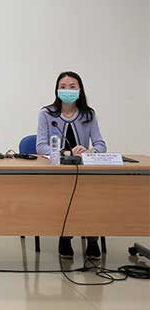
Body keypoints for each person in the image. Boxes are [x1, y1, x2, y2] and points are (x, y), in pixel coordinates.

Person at [36, 71, 106, 260]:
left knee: (92, 197)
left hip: (84, 170)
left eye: (72, 86)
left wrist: (90, 152)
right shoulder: (46, 113)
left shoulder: (88, 114)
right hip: (58, 171)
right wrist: (66, 153)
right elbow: (41, 147)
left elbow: (100, 144)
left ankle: (92, 239)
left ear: (80, 90)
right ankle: (65, 237)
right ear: (57, 90)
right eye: (63, 87)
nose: (67, 90)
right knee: (64, 194)